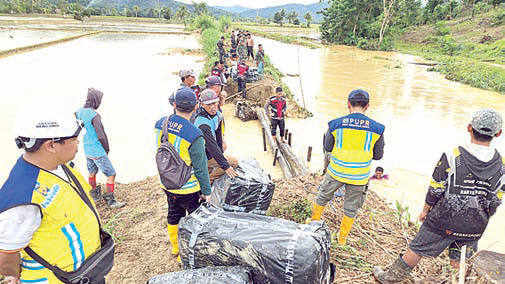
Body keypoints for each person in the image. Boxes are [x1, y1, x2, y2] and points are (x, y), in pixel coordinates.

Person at [373, 109, 504, 283]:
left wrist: (426, 209)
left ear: (469, 128)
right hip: (476, 223)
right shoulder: (501, 163)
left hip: (443, 219)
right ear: (498, 133)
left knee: (416, 249)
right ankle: (454, 280)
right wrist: (483, 216)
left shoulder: (453, 155)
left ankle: (388, 278)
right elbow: (496, 199)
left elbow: (436, 187)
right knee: (460, 257)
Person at [0, 106, 112, 284]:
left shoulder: (59, 165)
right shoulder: (23, 197)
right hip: (58, 279)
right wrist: (12, 275)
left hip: (86, 272)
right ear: (51, 145)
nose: (78, 143)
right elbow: (7, 253)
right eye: (74, 139)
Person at [308, 89, 385, 246]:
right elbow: (378, 156)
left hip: (336, 171)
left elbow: (327, 147)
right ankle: (342, 239)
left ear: (348, 104)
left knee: (323, 196)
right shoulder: (378, 129)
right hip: (359, 176)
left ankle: (313, 223)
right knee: (351, 208)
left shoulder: (335, 124)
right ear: (368, 106)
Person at [154, 87, 212, 263]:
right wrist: (207, 192)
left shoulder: (159, 124)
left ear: (174, 104)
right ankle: (188, 253)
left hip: (167, 182)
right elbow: (201, 168)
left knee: (174, 213)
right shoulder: (194, 134)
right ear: (196, 107)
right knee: (194, 219)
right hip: (188, 187)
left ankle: (175, 247)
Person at [75, 88, 126, 209]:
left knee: (92, 172)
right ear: (96, 100)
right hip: (97, 149)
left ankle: (95, 196)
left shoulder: (78, 112)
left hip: (87, 147)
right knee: (111, 173)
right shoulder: (95, 116)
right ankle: (111, 201)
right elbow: (101, 135)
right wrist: (106, 149)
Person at [194, 89, 239, 183]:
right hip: (203, 155)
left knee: (222, 150)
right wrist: (225, 166)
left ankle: (207, 175)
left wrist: (221, 153)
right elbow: (211, 145)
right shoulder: (202, 123)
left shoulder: (218, 115)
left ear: (218, 101)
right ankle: (208, 180)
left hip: (209, 151)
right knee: (234, 162)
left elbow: (218, 137)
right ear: (202, 104)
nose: (212, 107)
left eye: (214, 103)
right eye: (208, 104)